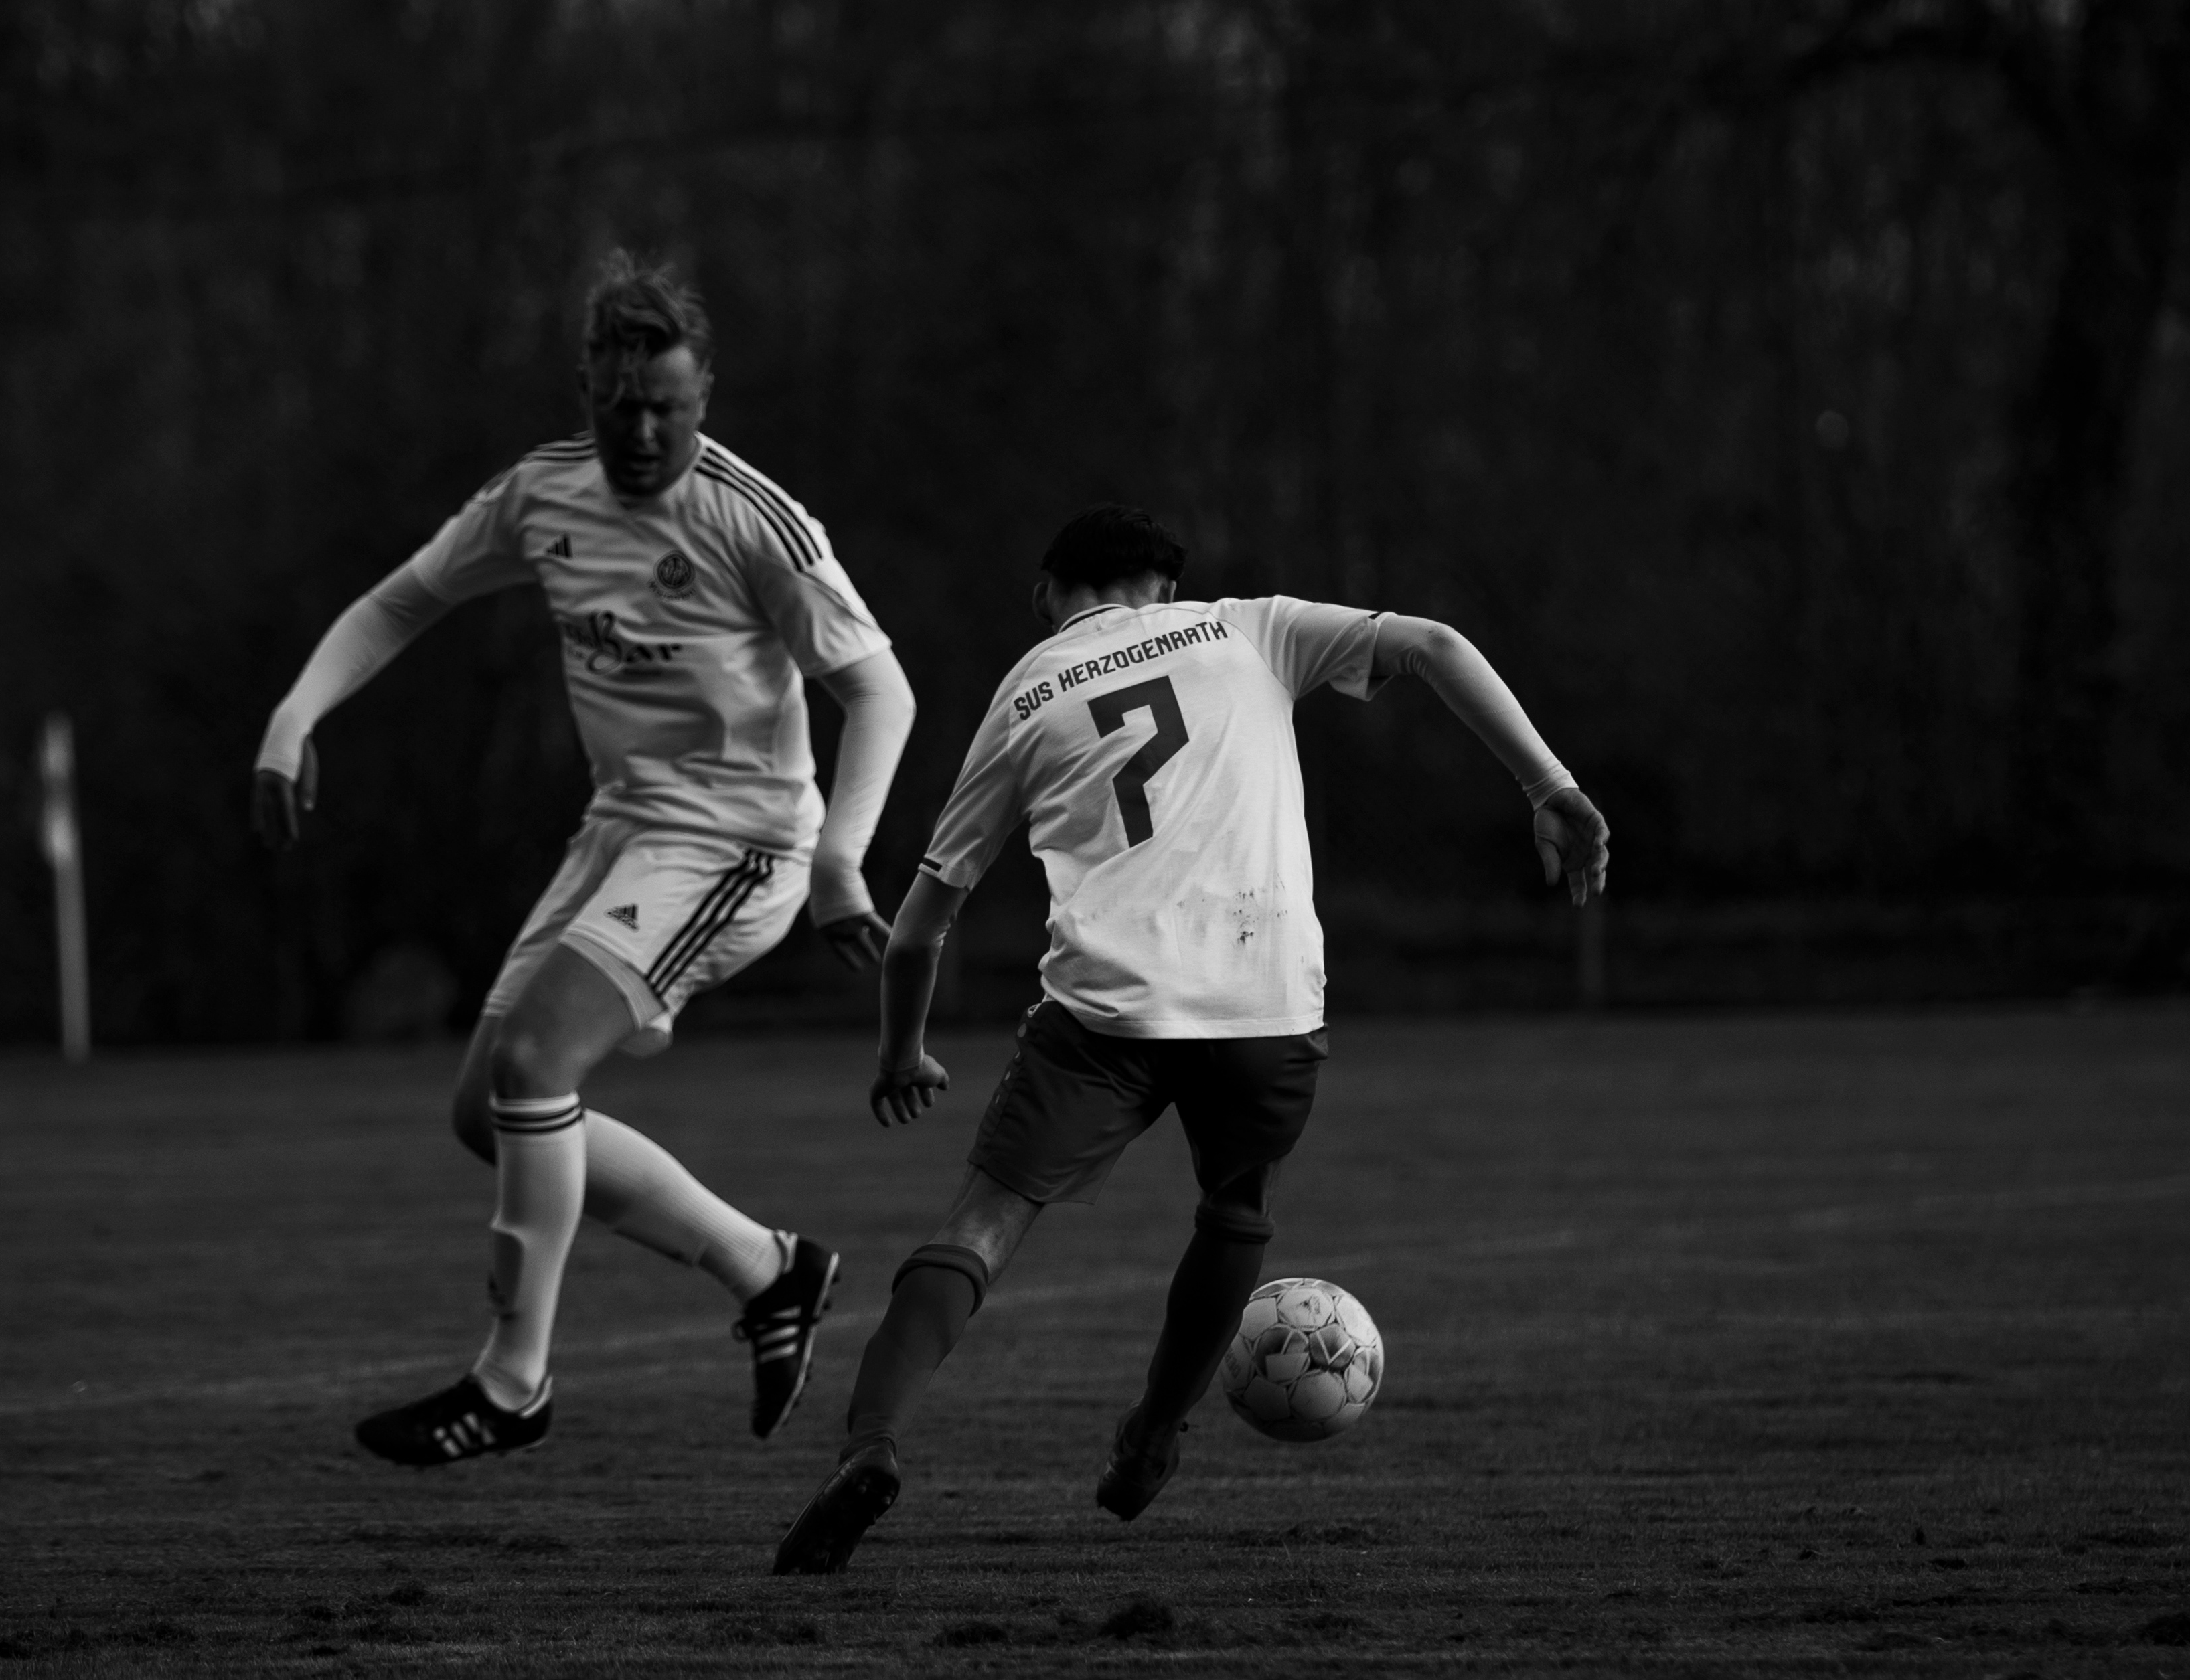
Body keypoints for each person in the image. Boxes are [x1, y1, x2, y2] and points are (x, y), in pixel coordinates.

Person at [772, 504, 1608, 1572]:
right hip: (1266, 1002)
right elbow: (1436, 645)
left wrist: (902, 1055)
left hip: (1102, 1015)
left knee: (982, 1225)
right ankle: (1152, 1440)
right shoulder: (1249, 627)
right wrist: (1550, 786)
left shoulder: (1028, 691)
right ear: (1164, 587)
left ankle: (871, 1446)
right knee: (1235, 1212)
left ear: (1050, 592)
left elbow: (920, 928)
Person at [252, 251, 916, 1463]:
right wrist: (295, 722)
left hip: (744, 844)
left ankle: (513, 1384)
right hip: (622, 831)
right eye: (620, 407)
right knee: (491, 1113)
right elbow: (401, 602)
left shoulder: (756, 521)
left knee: (534, 1062)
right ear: (587, 394)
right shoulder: (541, 494)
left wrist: (842, 865)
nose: (643, 432)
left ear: (704, 395)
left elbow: (881, 691)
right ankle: (768, 1268)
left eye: (667, 407)